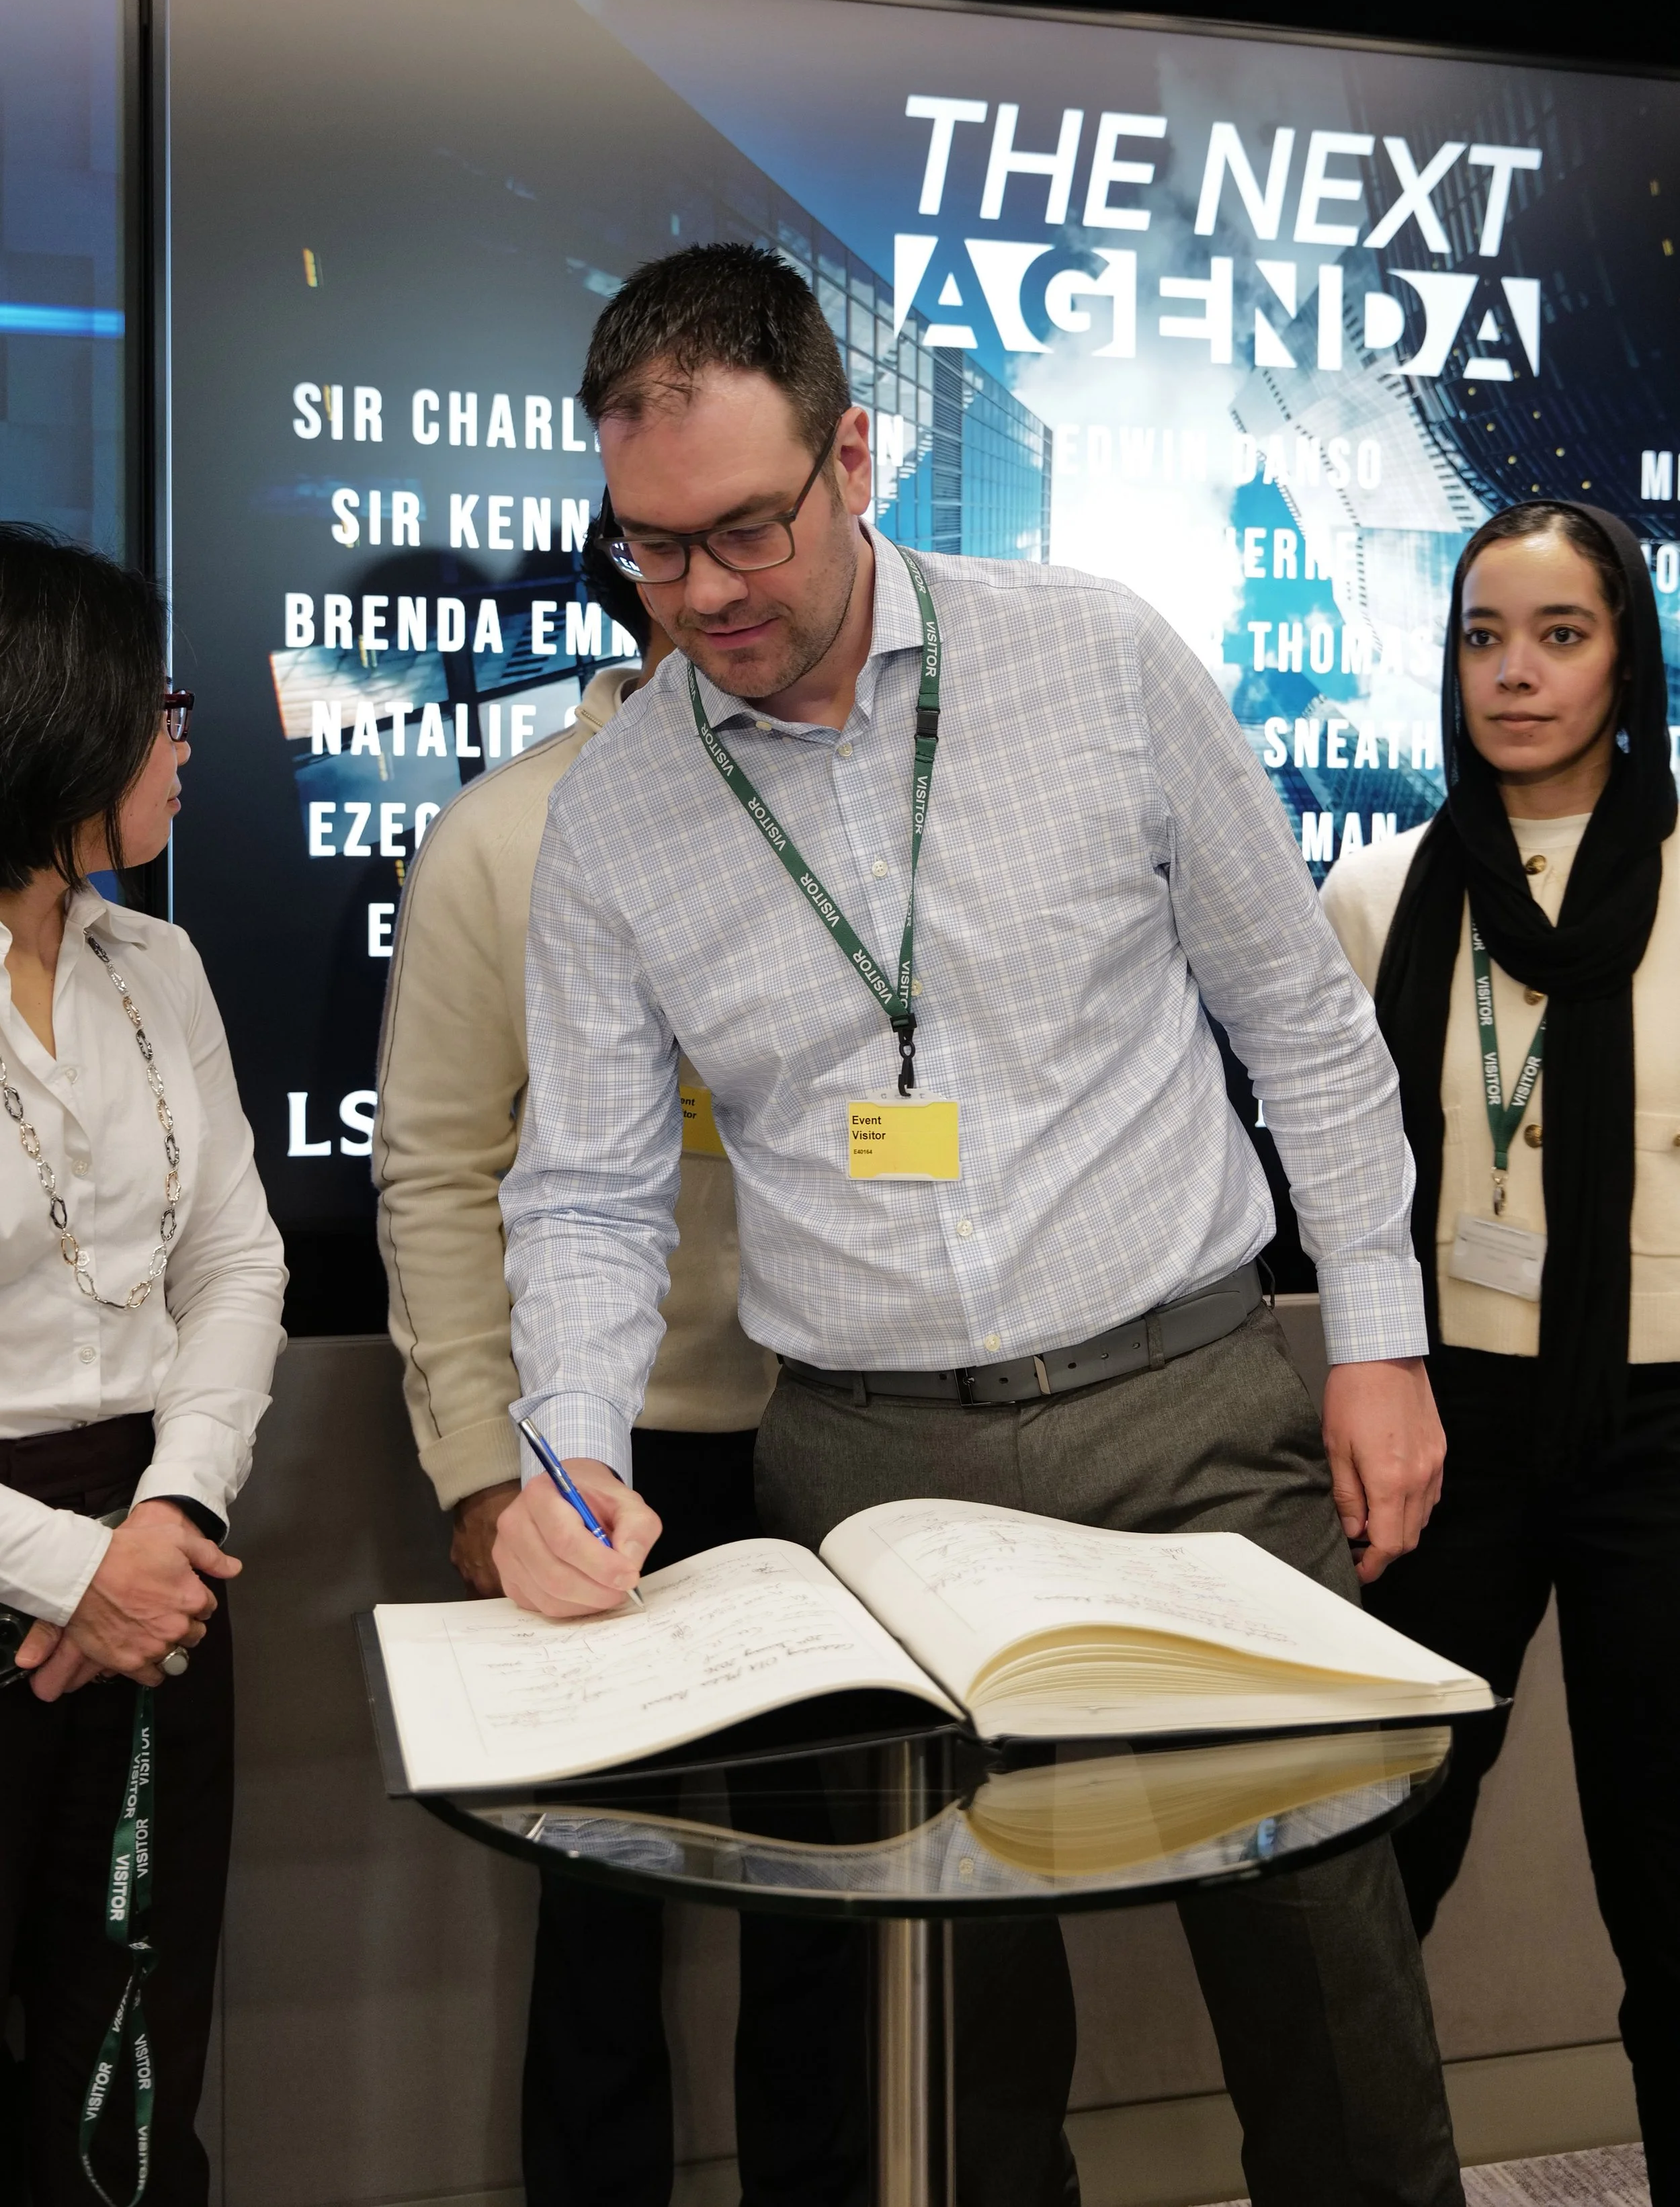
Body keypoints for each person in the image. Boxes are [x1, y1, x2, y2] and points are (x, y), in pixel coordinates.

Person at [493, 241, 1462, 2207]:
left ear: (853, 453)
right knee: (944, 2054)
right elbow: (586, 1187)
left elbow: (1300, 1015)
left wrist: (1376, 1332)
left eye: (743, 529)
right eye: (648, 549)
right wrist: (568, 1455)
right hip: (865, 1466)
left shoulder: (1094, 658)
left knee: (1320, 1974)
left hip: (1187, 1410)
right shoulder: (612, 817)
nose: (702, 596)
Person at [372, 526, 864, 2207]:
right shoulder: (510, 833)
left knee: (836, 1921)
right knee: (599, 1913)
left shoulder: (860, 799)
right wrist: (478, 1465)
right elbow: (437, 1167)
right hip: (598, 1453)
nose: (727, 603)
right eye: (682, 565)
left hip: (836, 1435)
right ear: (635, 591)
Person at [1322, 500, 1680, 2205]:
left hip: (1663, 1430)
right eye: (1482, 635)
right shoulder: (1377, 892)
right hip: (1438, 1424)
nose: (1514, 673)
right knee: (1378, 1849)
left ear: (1627, 656)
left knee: (1669, 1873)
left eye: (1558, 634)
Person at [0, 522, 286, 2206]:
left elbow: (237, 1261)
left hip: (166, 1555)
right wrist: (64, 1569)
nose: (183, 740)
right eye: (155, 707)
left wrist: (169, 1515)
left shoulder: (152, 961)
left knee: (134, 2031)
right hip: (36, 1550)